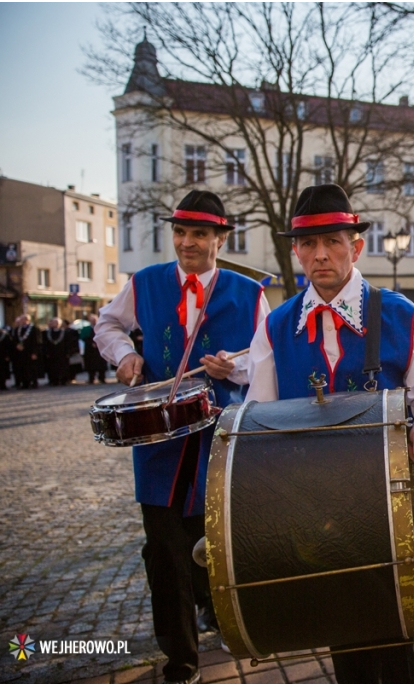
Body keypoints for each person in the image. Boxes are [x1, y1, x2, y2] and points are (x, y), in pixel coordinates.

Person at [245, 183, 414, 683]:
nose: (321, 254)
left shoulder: (400, 314)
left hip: (396, 514)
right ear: (295, 250)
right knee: (349, 652)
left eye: (334, 241)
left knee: (406, 654)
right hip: (322, 523)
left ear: (356, 246)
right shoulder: (276, 328)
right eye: (308, 244)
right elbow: (257, 424)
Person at [96, 190, 270, 685]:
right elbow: (107, 324)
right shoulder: (145, 283)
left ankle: (219, 612)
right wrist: (123, 354)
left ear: (220, 238)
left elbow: (263, 364)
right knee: (165, 553)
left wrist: (233, 369)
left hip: (218, 440)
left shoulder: (248, 292)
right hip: (159, 446)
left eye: (198, 233)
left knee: (212, 544)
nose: (186, 242)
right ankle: (182, 662)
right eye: (180, 232)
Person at [42, 317, 72, 386]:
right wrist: (46, 352)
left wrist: (68, 352)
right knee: (52, 367)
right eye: (53, 322)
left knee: (62, 367)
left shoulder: (64, 332)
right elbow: (45, 343)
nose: (54, 324)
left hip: (62, 353)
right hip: (52, 353)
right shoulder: (48, 333)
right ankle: (53, 380)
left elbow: (68, 343)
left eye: (55, 322)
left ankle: (63, 380)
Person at [11, 315, 40, 389]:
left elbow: (37, 342)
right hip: (21, 352)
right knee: (22, 368)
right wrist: (16, 345)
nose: (20, 321)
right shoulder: (18, 329)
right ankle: (25, 383)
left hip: (30, 352)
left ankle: (34, 382)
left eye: (22, 319)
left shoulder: (34, 329)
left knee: (32, 368)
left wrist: (35, 352)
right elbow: (14, 340)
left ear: (27, 320)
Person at [80, 314, 109, 384]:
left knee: (101, 365)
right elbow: (83, 338)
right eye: (92, 320)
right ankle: (91, 378)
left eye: (95, 320)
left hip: (100, 349)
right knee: (90, 365)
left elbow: (105, 336)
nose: (94, 321)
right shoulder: (86, 329)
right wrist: (91, 343)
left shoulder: (102, 327)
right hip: (90, 350)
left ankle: (102, 378)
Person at [0, 322, 12, 390]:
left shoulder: (4, 335)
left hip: (3, 356)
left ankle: (3, 384)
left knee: (3, 371)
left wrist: (7, 355)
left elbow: (8, 346)